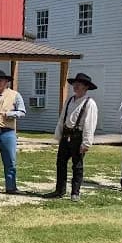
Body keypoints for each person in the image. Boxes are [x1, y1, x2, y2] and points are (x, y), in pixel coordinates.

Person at [44, 73, 99, 202]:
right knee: (61, 163)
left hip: (78, 137)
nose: (75, 86)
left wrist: (86, 143)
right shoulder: (70, 100)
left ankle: (75, 193)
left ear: (86, 87)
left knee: (77, 165)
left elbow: (89, 124)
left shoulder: (89, 103)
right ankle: (60, 190)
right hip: (66, 136)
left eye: (79, 84)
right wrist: (58, 135)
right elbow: (62, 118)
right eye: (75, 83)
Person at [0, 69, 27, 194]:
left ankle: (11, 187)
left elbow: (22, 112)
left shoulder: (15, 95)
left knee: (10, 160)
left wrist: (9, 114)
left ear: (6, 82)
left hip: (7, 132)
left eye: (0, 80)